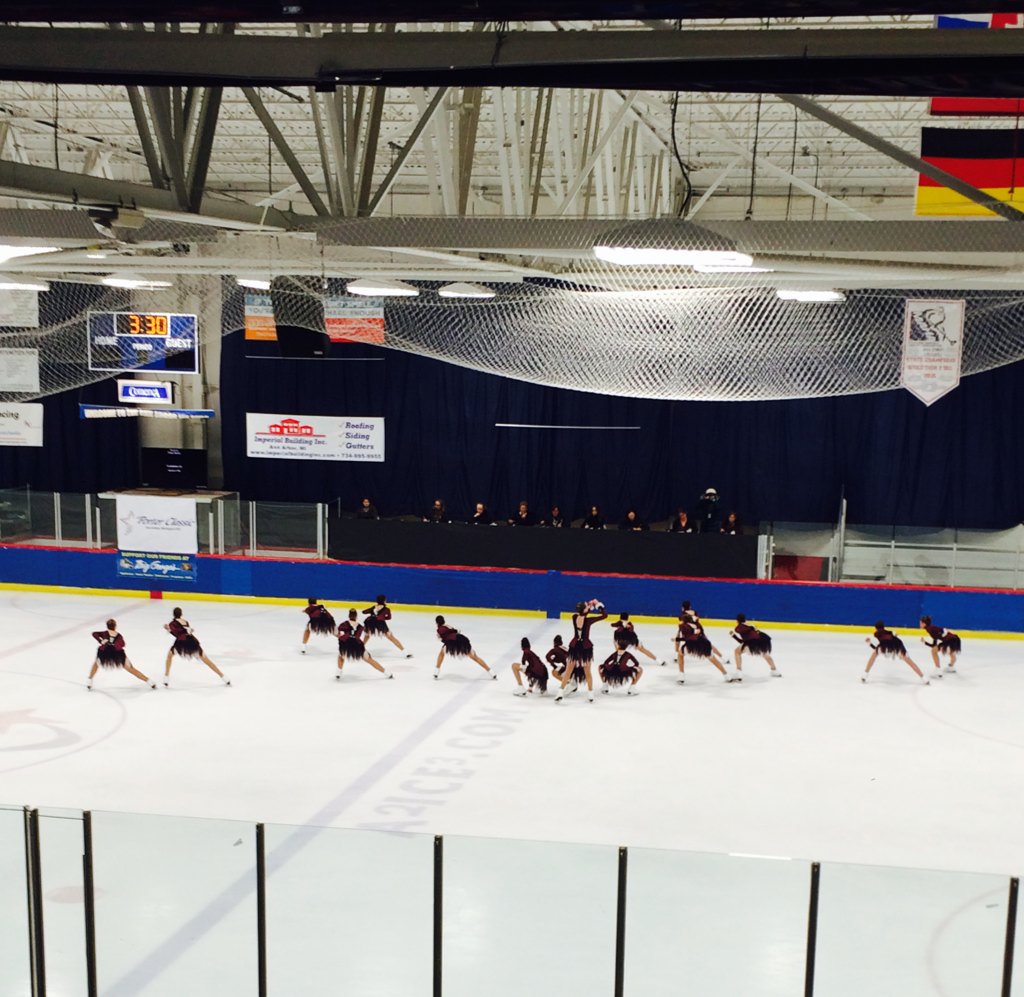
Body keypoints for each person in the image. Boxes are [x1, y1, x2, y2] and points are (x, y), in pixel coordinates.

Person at [554, 599, 608, 702]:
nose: (588, 606)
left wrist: (589, 605)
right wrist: (599, 606)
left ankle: (560, 692)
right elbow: (605, 616)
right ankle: (590, 694)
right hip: (585, 647)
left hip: (574, 646)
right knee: (587, 671)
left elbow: (583, 613)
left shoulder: (574, 617)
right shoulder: (588, 621)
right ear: (585, 610)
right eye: (587, 606)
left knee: (569, 670)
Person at [163, 607, 230, 687]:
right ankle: (223, 677)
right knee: (207, 660)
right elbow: (184, 632)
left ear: (173, 614)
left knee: (169, 656)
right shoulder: (185, 622)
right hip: (192, 643)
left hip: (181, 644)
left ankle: (166, 677)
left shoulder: (172, 623)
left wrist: (169, 629)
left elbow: (177, 635)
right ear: (181, 614)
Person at [88, 619, 156, 690]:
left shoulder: (104, 633)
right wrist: (115, 644)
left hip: (105, 653)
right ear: (115, 626)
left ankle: (89, 680)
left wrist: (101, 640)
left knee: (96, 664)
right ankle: (149, 681)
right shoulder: (119, 636)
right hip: (117, 654)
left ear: (107, 626)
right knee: (131, 668)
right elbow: (123, 644)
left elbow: (94, 633)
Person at [675, 606, 731, 683]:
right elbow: (699, 633)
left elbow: (688, 637)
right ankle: (726, 675)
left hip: (692, 645)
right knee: (713, 659)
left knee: (680, 654)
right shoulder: (698, 624)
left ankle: (681, 675)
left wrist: (677, 639)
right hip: (703, 644)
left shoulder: (683, 626)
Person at [863, 621, 929, 684]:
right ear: (883, 627)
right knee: (910, 662)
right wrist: (894, 635)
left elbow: (877, 648)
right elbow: (890, 636)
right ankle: (924, 678)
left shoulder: (877, 634)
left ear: (876, 628)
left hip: (893, 646)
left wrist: (869, 643)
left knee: (874, 655)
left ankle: (865, 675)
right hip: (898, 645)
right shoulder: (889, 633)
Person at [337, 610, 393, 680]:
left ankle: (338, 673)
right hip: (357, 645)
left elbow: (340, 635)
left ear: (349, 616)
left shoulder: (343, 624)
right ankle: (387, 673)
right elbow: (365, 634)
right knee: (369, 660)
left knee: (341, 657)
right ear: (356, 617)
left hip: (346, 644)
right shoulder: (360, 627)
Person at [730, 613, 781, 678]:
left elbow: (744, 640)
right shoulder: (750, 626)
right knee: (766, 655)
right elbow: (746, 640)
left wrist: (734, 636)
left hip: (752, 643)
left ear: (736, 621)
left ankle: (738, 671)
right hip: (761, 642)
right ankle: (775, 670)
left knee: (737, 652)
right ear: (745, 619)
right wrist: (735, 636)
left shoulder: (739, 628)